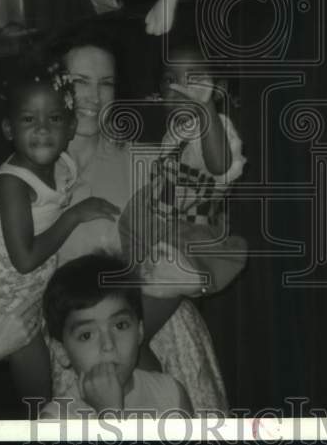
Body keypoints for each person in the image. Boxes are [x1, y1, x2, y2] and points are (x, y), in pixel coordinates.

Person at [51, 33, 230, 413]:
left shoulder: (150, 161)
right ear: (56, 85)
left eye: (106, 83)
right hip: (81, 349)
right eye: (79, 82)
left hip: (165, 338)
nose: (93, 97)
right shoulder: (28, 181)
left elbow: (203, 246)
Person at [0, 60, 121, 401]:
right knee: (39, 398)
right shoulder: (12, 184)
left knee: (59, 381)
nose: (41, 129)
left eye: (53, 119)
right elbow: (24, 259)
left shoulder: (62, 164)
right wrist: (75, 216)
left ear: (69, 128)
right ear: (9, 129)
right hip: (7, 302)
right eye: (28, 120)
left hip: (37, 292)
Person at [118, 42, 248, 299]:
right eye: (169, 79)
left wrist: (206, 109)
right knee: (130, 222)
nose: (179, 88)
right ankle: (140, 271)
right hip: (164, 212)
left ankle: (184, 276)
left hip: (193, 222)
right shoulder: (174, 133)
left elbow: (219, 164)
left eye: (193, 79)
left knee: (184, 246)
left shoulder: (218, 128)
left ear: (218, 90)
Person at [39, 255, 192, 418]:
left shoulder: (171, 394)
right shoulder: (57, 420)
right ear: (62, 351)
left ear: (139, 331)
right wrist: (109, 413)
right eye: (86, 335)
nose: (108, 344)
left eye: (120, 326)